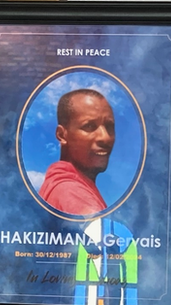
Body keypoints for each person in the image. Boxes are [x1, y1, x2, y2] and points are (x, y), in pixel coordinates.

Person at [39, 88, 115, 216]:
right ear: (62, 135)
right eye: (89, 126)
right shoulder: (71, 193)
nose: (105, 137)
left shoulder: (64, 188)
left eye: (109, 127)